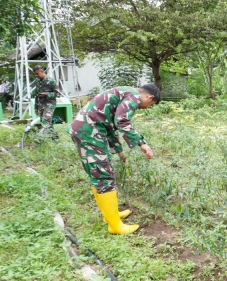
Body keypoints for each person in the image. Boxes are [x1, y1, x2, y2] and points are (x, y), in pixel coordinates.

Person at [69, 85, 160, 235]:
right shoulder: (134, 96)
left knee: (97, 174)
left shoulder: (125, 93)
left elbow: (110, 127)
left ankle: (110, 216)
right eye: (150, 104)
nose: (147, 107)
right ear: (149, 98)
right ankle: (115, 225)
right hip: (90, 131)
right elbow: (122, 121)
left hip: (86, 129)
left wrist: (121, 153)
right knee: (103, 175)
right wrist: (142, 144)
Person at [32, 65, 60, 140]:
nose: (36, 75)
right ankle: (55, 138)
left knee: (46, 120)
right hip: (41, 105)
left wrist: (46, 94)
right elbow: (36, 95)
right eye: (35, 74)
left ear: (42, 72)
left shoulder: (51, 81)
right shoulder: (38, 82)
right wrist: (36, 107)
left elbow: (57, 93)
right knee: (46, 122)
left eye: (37, 74)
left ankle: (39, 137)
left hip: (50, 104)